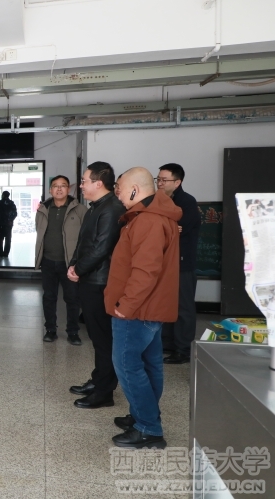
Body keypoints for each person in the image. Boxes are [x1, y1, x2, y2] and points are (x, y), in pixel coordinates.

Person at [106, 167, 181, 449]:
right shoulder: (155, 215)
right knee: (150, 364)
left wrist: (126, 306)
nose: (118, 194)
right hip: (150, 306)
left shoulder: (148, 220)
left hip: (137, 309)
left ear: (135, 190)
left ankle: (148, 428)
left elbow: (145, 271)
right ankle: (143, 414)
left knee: (127, 365)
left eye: (120, 189)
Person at [67, 162, 124, 409]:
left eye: (84, 181)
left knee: (103, 339)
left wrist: (79, 269)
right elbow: (84, 243)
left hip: (100, 282)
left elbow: (101, 248)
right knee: (96, 336)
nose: (81, 185)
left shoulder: (111, 209)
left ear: (98, 183)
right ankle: (99, 379)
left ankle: (104, 392)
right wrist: (73, 264)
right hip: (90, 278)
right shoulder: (95, 208)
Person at [35, 175, 87, 345]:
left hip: (70, 263)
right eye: (55, 186)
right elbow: (39, 232)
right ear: (50, 190)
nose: (59, 189)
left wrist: (78, 261)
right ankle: (50, 330)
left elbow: (85, 237)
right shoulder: (43, 209)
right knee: (49, 297)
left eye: (63, 185)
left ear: (68, 189)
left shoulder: (80, 210)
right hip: (48, 261)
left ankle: (73, 332)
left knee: (72, 298)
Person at [156, 163, 200, 365]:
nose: (160, 183)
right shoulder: (158, 201)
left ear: (177, 182)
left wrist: (168, 228)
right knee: (165, 303)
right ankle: (167, 343)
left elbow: (176, 230)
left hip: (183, 263)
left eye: (164, 180)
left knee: (183, 307)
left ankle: (183, 350)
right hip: (164, 262)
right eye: (158, 179)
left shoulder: (187, 202)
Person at [0, 191, 17, 257]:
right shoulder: (11, 203)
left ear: (3, 195)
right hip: (8, 224)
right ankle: (6, 253)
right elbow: (15, 213)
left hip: (0, 223)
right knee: (8, 239)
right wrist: (10, 220)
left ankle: (0, 252)